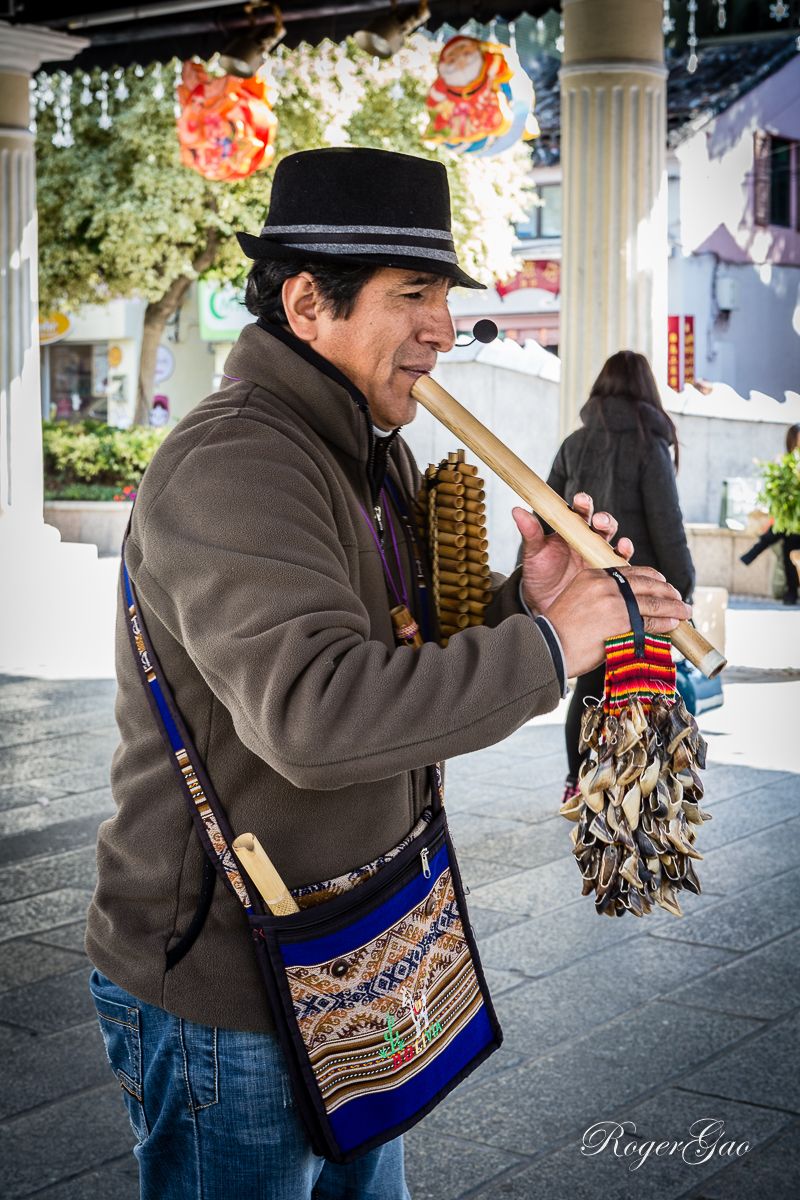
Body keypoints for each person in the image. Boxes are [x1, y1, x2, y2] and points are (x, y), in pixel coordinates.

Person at [85, 149, 690, 1200]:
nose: (441, 330)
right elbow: (318, 717)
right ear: (306, 301)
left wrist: (533, 601)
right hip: (234, 981)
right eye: (411, 296)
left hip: (354, 953)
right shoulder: (240, 461)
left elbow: (402, 662)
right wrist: (556, 646)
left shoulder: (368, 448)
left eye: (444, 298)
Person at [541, 350, 695, 803]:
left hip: (582, 593)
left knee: (590, 686)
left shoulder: (575, 442)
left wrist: (544, 595)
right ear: (648, 390)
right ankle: (635, 789)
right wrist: (680, 593)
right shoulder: (650, 445)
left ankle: (579, 780)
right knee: (641, 688)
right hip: (640, 598)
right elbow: (668, 525)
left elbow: (545, 515)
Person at [739, 423, 800, 605]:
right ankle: (791, 590)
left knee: (784, 533)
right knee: (789, 539)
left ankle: (757, 549)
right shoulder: (785, 466)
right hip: (791, 523)